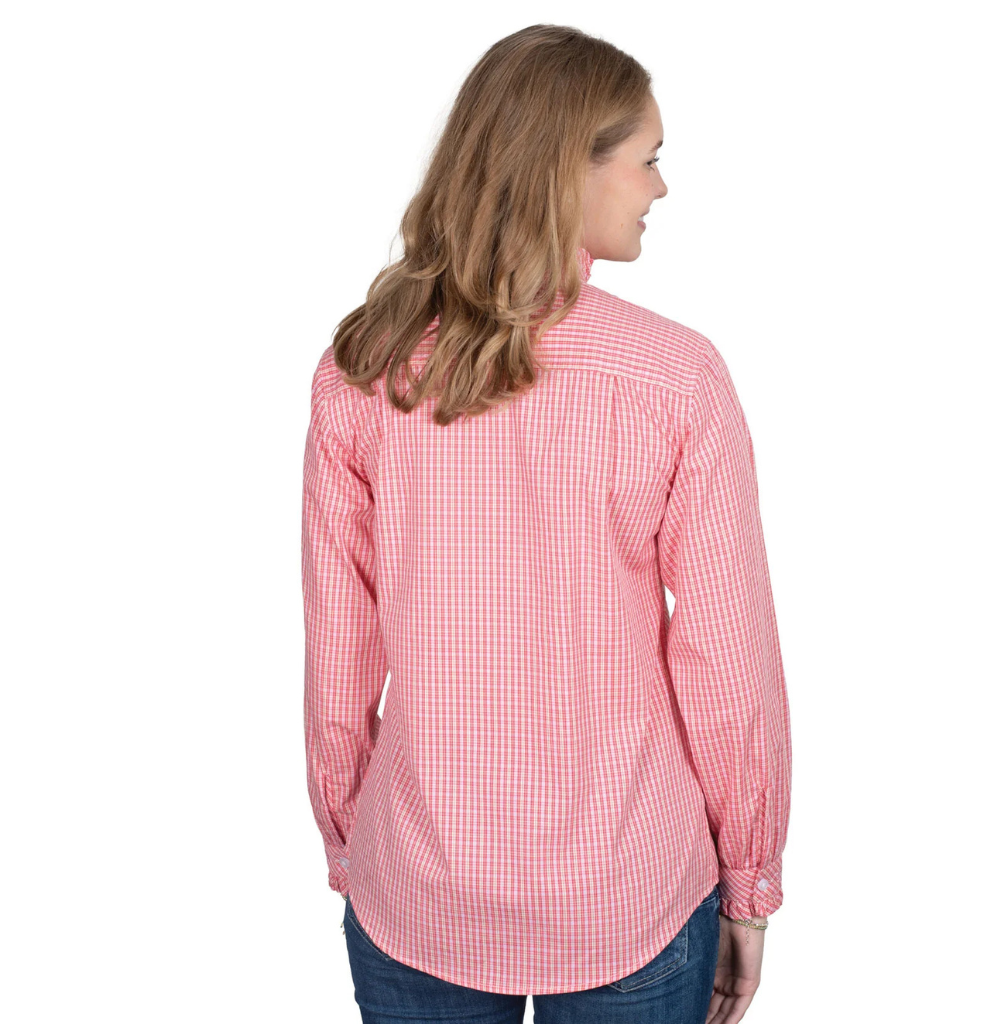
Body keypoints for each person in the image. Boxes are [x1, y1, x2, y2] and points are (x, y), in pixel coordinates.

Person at [301, 23, 792, 1024]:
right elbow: (725, 659)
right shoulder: (677, 378)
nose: (661, 186)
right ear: (572, 168)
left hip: (417, 884)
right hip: (628, 889)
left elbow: (338, 652)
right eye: (647, 158)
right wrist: (748, 879)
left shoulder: (363, 371)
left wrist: (351, 840)